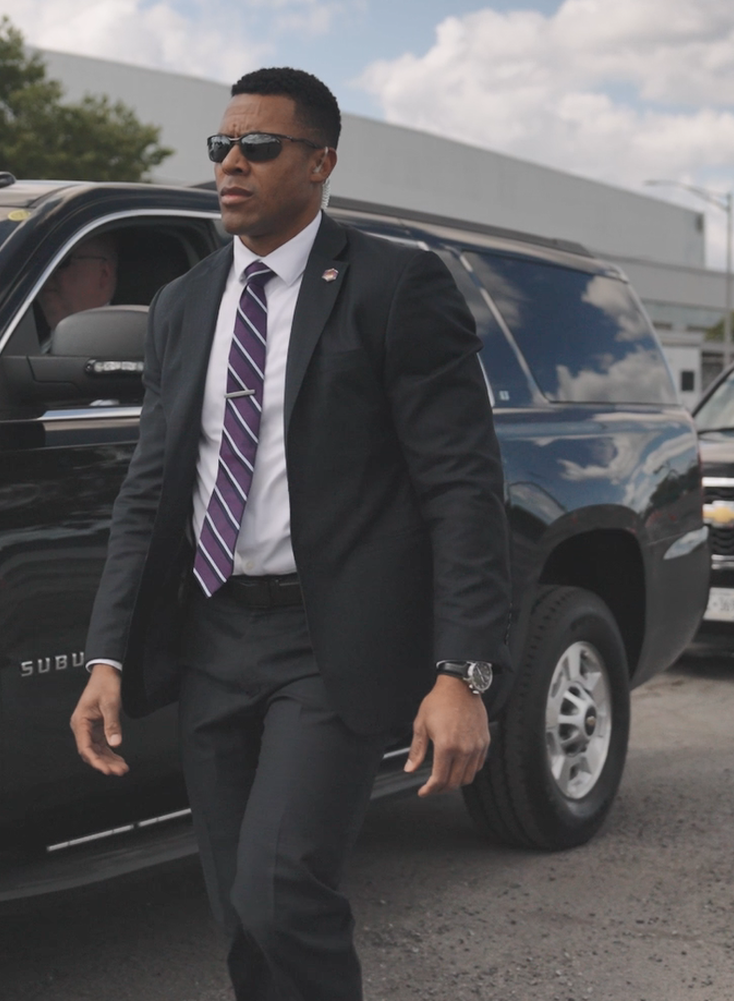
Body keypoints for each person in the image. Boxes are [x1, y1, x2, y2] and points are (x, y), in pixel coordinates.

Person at [69, 67, 512, 1000]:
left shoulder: (394, 286)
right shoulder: (185, 305)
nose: (232, 163)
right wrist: (106, 654)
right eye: (221, 147)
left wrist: (462, 672)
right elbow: (149, 492)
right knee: (240, 906)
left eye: (259, 147)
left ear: (320, 163)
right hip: (212, 637)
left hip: (329, 644)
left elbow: (462, 489)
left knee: (281, 891)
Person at [36, 231, 119, 336]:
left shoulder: (126, 344)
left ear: (104, 274)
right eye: (39, 264)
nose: (45, 274)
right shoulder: (19, 339)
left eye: (61, 262)